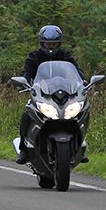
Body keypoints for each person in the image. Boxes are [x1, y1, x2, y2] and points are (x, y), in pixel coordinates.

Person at [14, 25, 86, 164]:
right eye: (47, 43)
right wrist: (24, 82)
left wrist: (83, 82)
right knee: (27, 113)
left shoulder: (66, 56)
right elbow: (27, 74)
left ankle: (80, 148)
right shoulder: (34, 57)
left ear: (59, 43)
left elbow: (77, 72)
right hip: (41, 94)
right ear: (42, 43)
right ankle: (24, 148)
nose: (50, 47)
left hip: (64, 94)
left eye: (53, 43)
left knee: (80, 111)